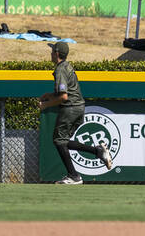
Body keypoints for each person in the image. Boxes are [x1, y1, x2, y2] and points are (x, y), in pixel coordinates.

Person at [39, 40, 114, 185]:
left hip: (70, 108)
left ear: (56, 53)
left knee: (59, 141)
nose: (50, 53)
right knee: (64, 141)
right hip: (79, 107)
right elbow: (65, 91)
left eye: (52, 50)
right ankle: (97, 151)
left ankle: (74, 176)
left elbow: (64, 97)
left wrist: (46, 105)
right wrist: (49, 95)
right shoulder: (67, 66)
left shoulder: (61, 69)